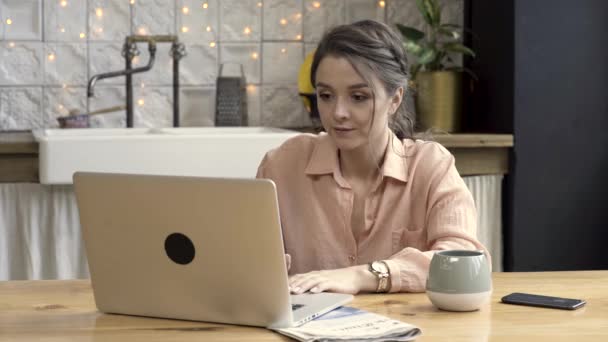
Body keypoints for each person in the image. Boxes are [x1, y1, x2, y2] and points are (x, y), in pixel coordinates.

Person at [256, 20, 488, 295]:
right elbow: (249, 261)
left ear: (395, 99)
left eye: (358, 97)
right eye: (326, 95)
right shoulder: (281, 166)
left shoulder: (431, 166)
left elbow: (463, 259)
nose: (338, 112)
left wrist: (364, 276)